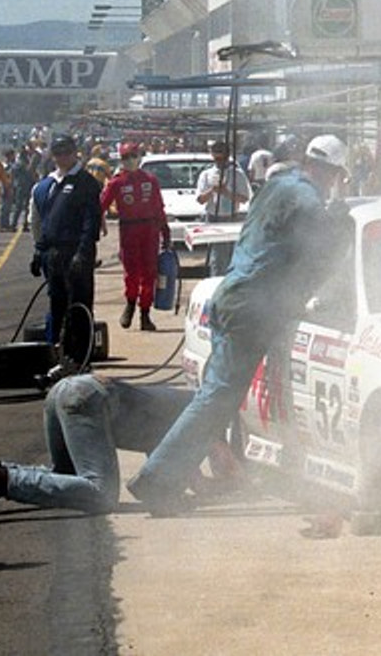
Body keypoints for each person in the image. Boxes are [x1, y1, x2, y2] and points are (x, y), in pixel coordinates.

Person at [127, 135, 352, 513]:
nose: (332, 183)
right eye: (334, 177)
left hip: (233, 295)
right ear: (329, 172)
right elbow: (324, 237)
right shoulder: (305, 197)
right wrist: (340, 210)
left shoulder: (279, 184)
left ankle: (187, 473)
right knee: (216, 399)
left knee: (214, 399)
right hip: (252, 305)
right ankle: (159, 478)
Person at [0, 374, 241, 521]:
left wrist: (199, 488)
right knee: (101, 494)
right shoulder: (206, 418)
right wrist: (230, 483)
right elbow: (221, 464)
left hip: (67, 391)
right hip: (89, 400)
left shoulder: (187, 414)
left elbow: (171, 471)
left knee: (64, 475)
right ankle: (4, 480)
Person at [29, 135, 102, 375]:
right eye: (58, 153)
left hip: (77, 252)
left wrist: (83, 253)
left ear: (75, 153)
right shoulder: (45, 186)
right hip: (53, 254)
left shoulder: (86, 183)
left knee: (78, 307)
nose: (62, 157)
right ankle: (57, 356)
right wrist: (39, 252)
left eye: (66, 152)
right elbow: (40, 222)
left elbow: (91, 223)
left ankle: (80, 358)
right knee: (56, 305)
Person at [101, 141, 170, 332]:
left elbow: (159, 207)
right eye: (125, 157)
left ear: (139, 157)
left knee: (149, 273)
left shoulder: (150, 180)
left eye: (133, 156)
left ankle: (145, 313)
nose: (130, 160)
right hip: (129, 231)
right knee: (131, 273)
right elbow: (101, 205)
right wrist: (98, 223)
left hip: (150, 231)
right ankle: (130, 304)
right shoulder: (116, 182)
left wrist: (165, 230)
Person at [195, 139, 251, 277]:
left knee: (230, 255)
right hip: (213, 217)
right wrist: (213, 190)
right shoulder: (206, 174)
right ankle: (216, 279)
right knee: (216, 256)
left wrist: (226, 192)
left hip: (231, 217)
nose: (219, 160)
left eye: (222, 155)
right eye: (216, 155)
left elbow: (244, 198)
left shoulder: (237, 174)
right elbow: (200, 199)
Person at [7, 144, 38, 232]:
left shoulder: (27, 162)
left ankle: (24, 224)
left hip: (27, 185)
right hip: (21, 186)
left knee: (26, 206)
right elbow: (15, 173)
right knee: (19, 206)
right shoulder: (19, 163)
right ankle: (14, 224)